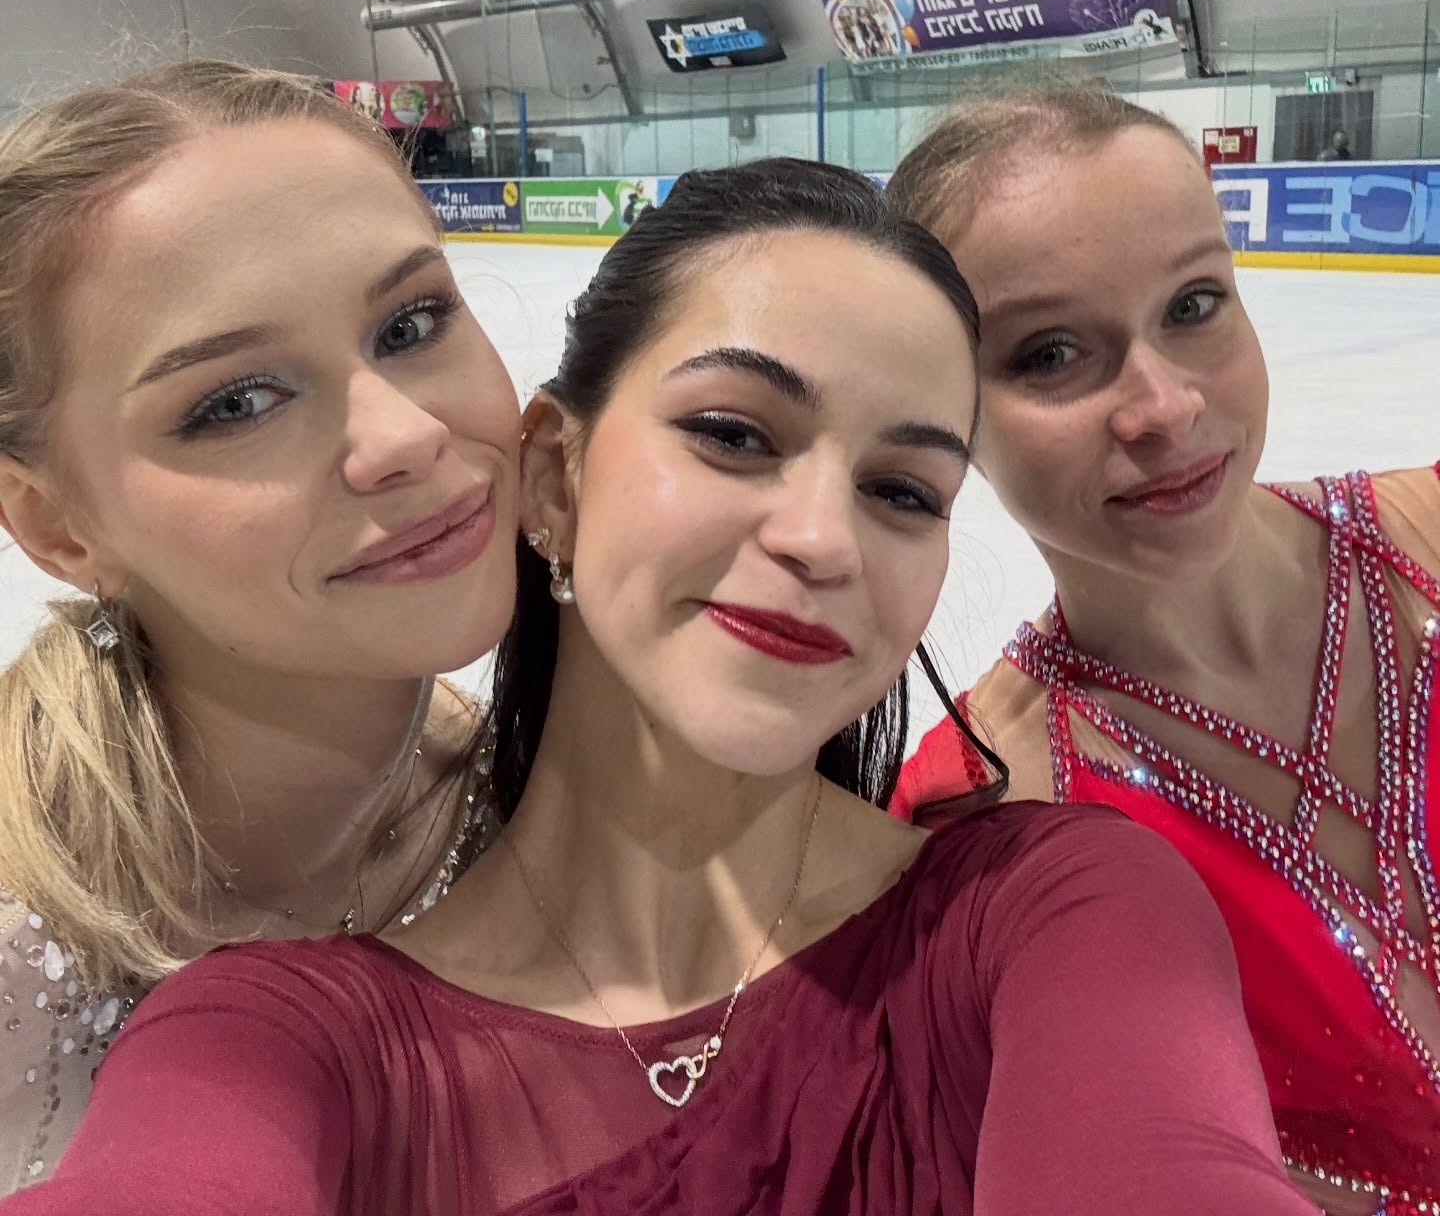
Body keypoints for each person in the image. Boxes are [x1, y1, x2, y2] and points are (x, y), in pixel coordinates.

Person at [4, 159, 1311, 1216]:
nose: (824, 540)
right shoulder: (270, 1042)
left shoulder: (1057, 917)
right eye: (733, 434)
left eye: (902, 492)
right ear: (554, 476)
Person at [886, 87, 1438, 1216]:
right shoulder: (977, 820)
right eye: (1049, 353)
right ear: (943, 415)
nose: (1165, 406)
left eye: (1193, 304)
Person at [0, 61, 521, 1191]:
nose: (405, 436)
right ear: (57, 526)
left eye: (412, 322)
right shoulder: (22, 944)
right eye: (237, 401)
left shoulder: (546, 810)